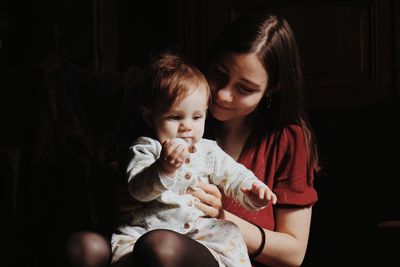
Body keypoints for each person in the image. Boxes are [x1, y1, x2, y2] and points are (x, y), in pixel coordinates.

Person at [66, 13, 319, 267]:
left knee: (160, 247)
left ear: (273, 88)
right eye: (219, 74)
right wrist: (125, 190)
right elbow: (126, 167)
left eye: (245, 88)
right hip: (146, 236)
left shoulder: (286, 138)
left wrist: (222, 216)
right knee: (86, 247)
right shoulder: (171, 108)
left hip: (200, 249)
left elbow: (293, 253)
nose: (222, 94)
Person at [111, 51, 277, 267]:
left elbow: (234, 175)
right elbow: (137, 189)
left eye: (197, 117)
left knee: (230, 234)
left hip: (199, 234)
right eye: (175, 117)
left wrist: (252, 190)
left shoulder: (208, 150)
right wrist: (164, 167)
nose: (187, 126)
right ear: (150, 117)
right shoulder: (145, 148)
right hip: (147, 231)